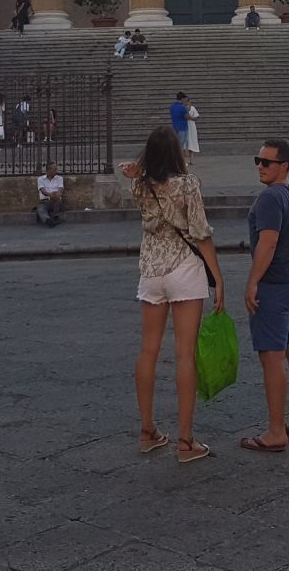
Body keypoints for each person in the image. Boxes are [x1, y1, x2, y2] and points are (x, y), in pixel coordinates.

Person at [121, 125, 225, 465]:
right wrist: (218, 280)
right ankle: (185, 440)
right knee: (184, 355)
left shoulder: (140, 185)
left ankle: (147, 431)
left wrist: (135, 170)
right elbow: (201, 234)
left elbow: (133, 173)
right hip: (184, 269)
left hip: (151, 271)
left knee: (148, 351)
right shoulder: (188, 184)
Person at [240, 139, 289, 452]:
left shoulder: (270, 197)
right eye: (258, 160)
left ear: (283, 165)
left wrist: (253, 281)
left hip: (275, 283)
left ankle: (275, 431)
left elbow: (267, 243)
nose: (260, 166)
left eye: (266, 162)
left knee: (271, 357)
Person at [35, 162, 65, 227]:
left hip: (56, 200)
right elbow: (42, 190)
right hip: (45, 201)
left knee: (57, 200)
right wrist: (50, 195)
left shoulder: (59, 178)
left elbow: (61, 188)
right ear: (48, 170)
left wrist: (57, 194)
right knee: (40, 209)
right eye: (54, 169)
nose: (56, 171)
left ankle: (55, 217)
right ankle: (48, 221)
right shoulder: (41, 179)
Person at [184, 98, 201, 166]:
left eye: (189, 101)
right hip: (185, 126)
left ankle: (191, 160)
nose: (189, 103)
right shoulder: (183, 108)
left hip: (192, 126)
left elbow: (196, 117)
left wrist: (190, 118)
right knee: (185, 143)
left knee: (192, 142)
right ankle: (185, 161)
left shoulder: (193, 108)